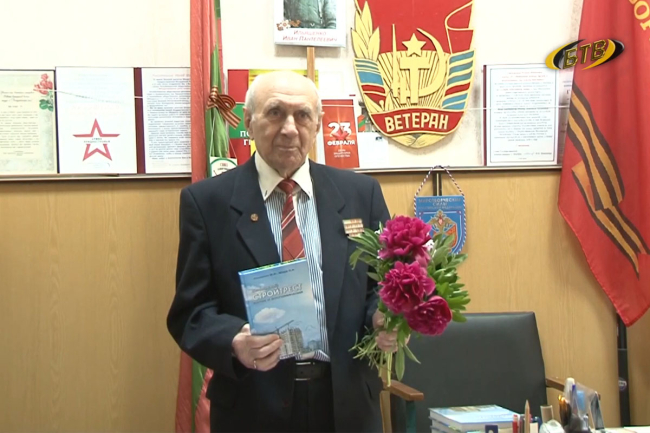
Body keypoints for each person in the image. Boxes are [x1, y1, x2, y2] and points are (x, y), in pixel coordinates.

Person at [166, 71, 397, 433]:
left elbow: (382, 286)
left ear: (317, 124)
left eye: (302, 115)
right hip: (252, 406)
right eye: (275, 113)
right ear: (248, 121)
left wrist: (384, 318)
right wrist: (234, 340)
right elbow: (190, 313)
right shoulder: (207, 202)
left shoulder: (360, 194)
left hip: (346, 403)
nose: (290, 128)